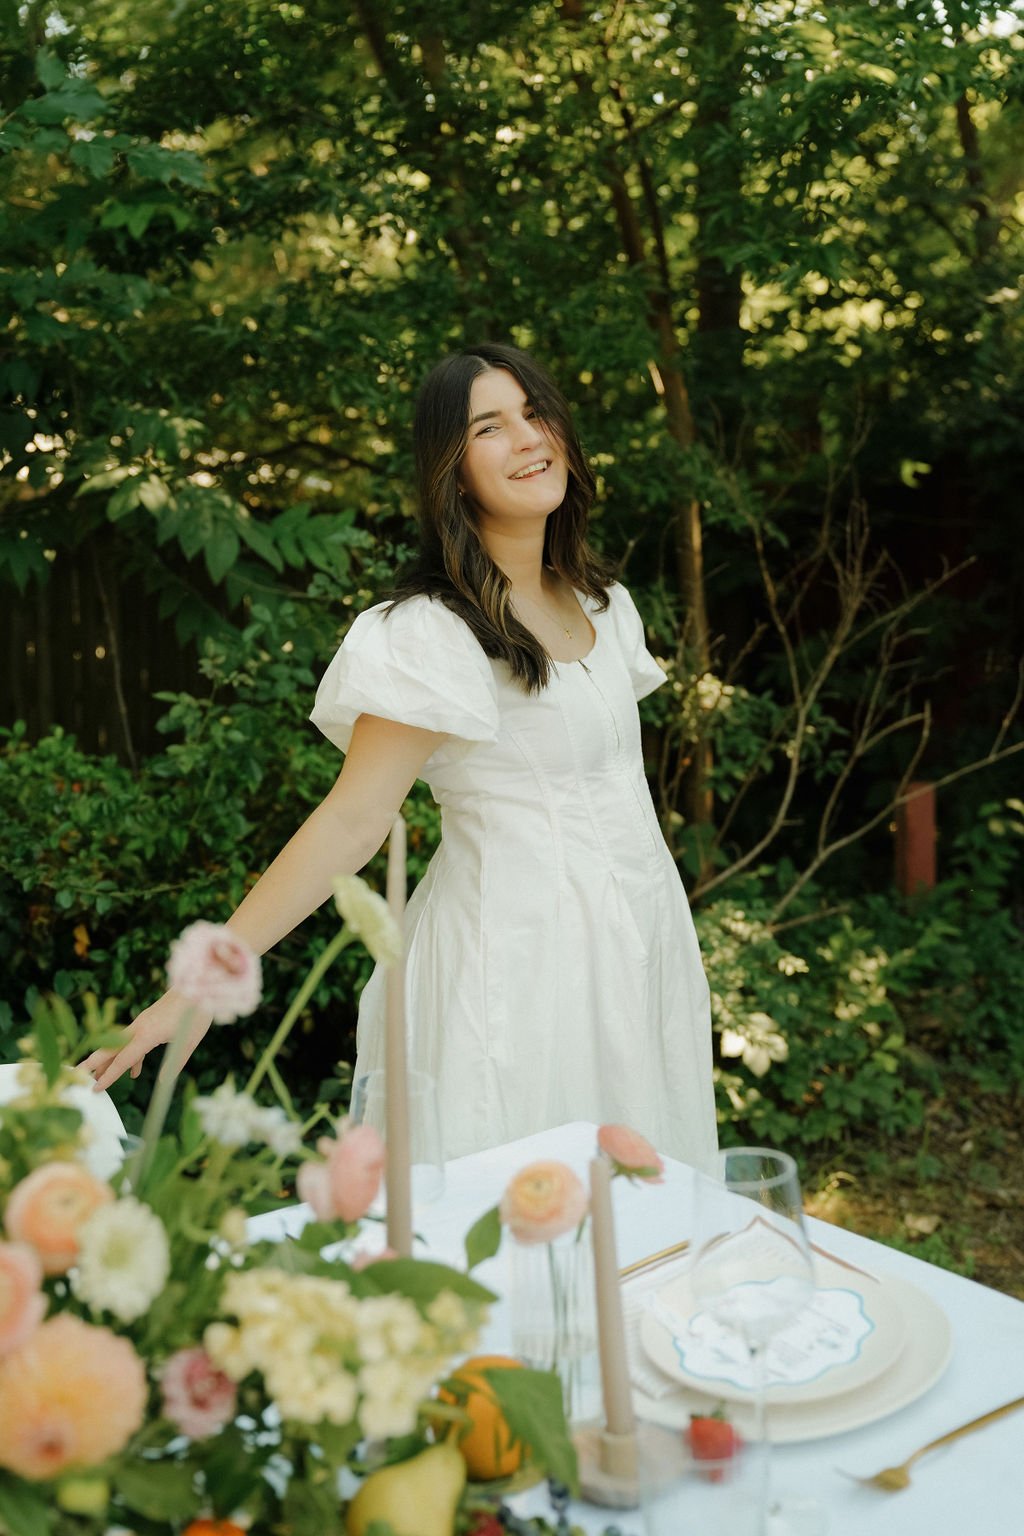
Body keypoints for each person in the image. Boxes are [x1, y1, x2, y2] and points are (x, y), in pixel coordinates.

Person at [84, 343, 718, 1170]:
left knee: (641, 1221)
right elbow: (352, 821)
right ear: (453, 472)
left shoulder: (608, 606)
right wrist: (197, 989)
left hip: (639, 944)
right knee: (518, 1227)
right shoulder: (428, 632)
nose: (529, 438)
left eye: (536, 413)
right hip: (511, 969)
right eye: (491, 426)